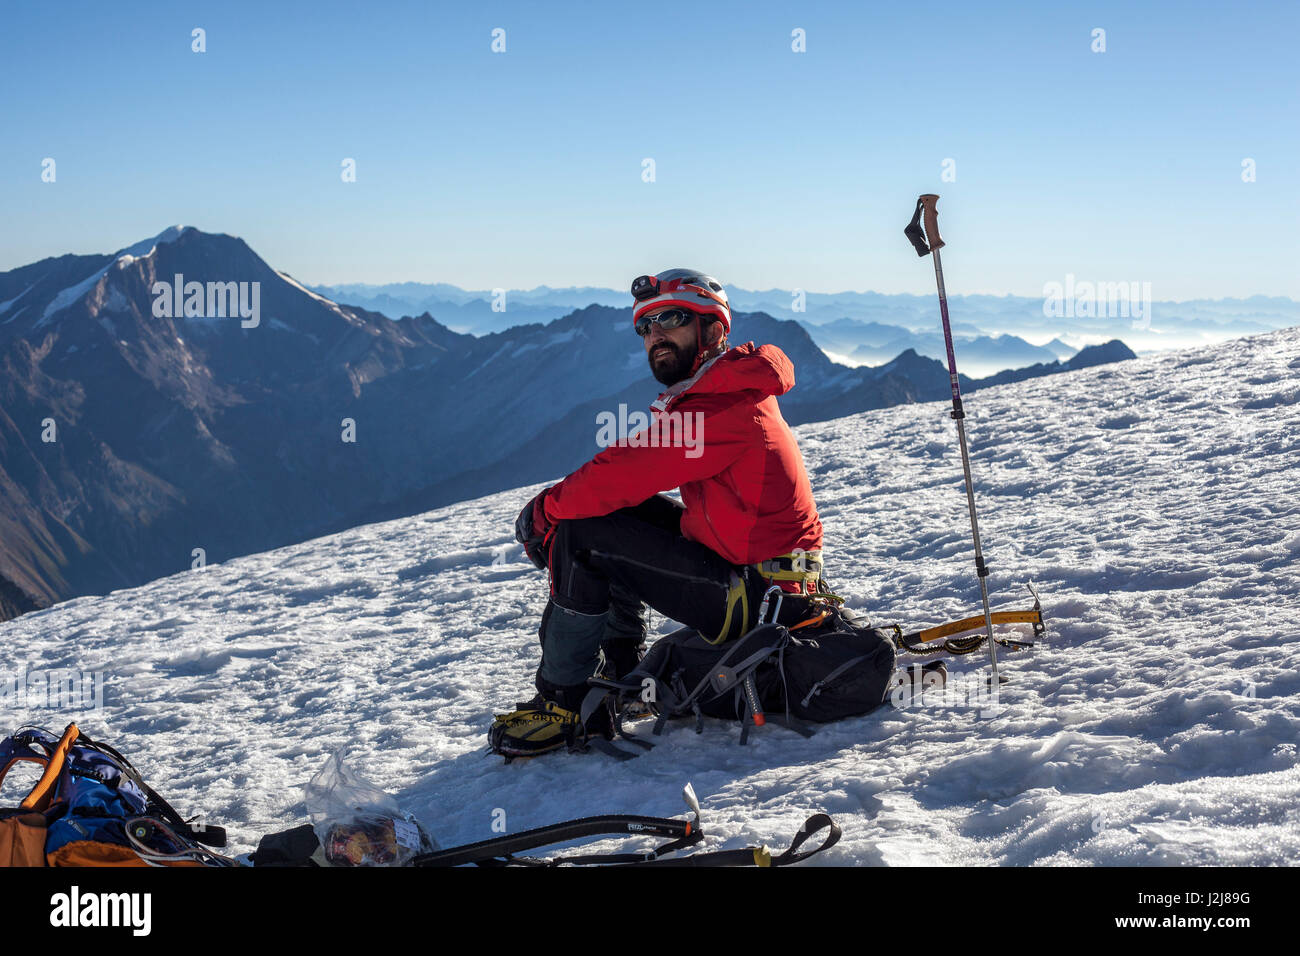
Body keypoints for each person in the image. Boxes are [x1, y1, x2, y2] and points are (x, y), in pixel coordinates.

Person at [491, 268, 828, 758]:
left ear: (713, 329)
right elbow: (623, 481)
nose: (654, 335)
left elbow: (622, 470)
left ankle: (564, 703)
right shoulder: (721, 392)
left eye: (670, 319)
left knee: (583, 530)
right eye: (644, 327)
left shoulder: (726, 407)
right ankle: (618, 671)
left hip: (758, 601)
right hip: (758, 580)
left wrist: (546, 510)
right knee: (607, 514)